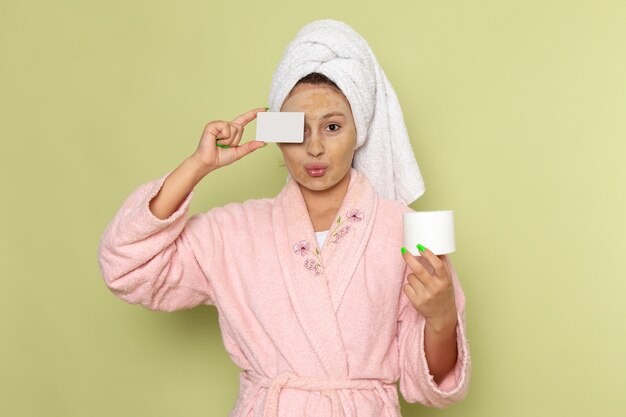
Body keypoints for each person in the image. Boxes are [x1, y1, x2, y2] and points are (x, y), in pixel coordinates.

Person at [98, 19, 471, 417]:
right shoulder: (236, 232)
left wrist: (443, 315)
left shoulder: (402, 228)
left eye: (332, 127)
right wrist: (197, 166)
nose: (313, 147)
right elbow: (126, 268)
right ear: (276, 131)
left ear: (358, 131)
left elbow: (430, 386)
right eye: (296, 129)